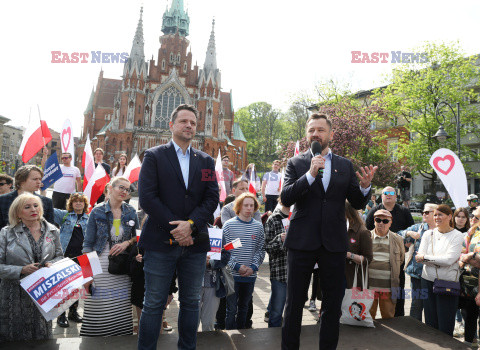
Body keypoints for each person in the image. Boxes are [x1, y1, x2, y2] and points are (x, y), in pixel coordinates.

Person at [280, 112, 376, 349]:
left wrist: (365, 189)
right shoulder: (296, 163)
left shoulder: (344, 165)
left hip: (333, 244)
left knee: (332, 304)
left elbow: (356, 202)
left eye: (321, 130)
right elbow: (286, 196)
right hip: (301, 242)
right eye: (311, 130)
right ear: (306, 134)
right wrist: (310, 174)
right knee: (294, 303)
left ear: (331, 134)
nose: (315, 134)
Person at [137, 104, 219, 350]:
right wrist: (178, 228)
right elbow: (147, 198)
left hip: (194, 244)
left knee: (191, 302)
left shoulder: (205, 161)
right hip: (160, 242)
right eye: (184, 121)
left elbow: (211, 198)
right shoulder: (154, 156)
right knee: (153, 303)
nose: (189, 126)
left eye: (193, 123)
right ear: (171, 125)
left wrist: (191, 225)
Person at [0, 193, 63, 342]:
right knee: (14, 339)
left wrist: (52, 264)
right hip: (14, 295)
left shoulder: (53, 231)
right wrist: (20, 270)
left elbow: (60, 257)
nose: (33, 209)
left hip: (43, 293)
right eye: (27, 207)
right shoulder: (6, 233)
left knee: (42, 339)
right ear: (17, 213)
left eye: (36, 206)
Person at [80, 176, 139, 337]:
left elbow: (138, 238)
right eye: (121, 187)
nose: (124, 191)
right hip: (99, 263)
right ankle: (95, 340)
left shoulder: (131, 211)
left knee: (120, 305)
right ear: (110, 188)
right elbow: (87, 244)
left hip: (122, 265)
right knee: (99, 304)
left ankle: (119, 341)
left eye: (127, 189)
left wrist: (126, 243)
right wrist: (87, 274)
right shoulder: (97, 211)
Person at [416, 204, 464, 336]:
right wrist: (438, 260)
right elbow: (418, 257)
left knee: (445, 324)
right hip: (427, 280)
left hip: (447, 283)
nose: (436, 217)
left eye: (440, 215)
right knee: (430, 324)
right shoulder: (427, 234)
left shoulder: (457, 235)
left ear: (449, 217)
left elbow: (448, 260)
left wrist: (426, 258)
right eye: (435, 215)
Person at [366, 186, 414, 317]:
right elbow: (366, 230)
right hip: (375, 259)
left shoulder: (403, 211)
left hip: (396, 256)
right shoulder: (375, 211)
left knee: (397, 293)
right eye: (385, 193)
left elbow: (412, 228)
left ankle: (398, 320)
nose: (388, 195)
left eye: (391, 193)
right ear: (381, 196)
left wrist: (406, 245)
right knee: (370, 305)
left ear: (396, 196)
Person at [224, 192, 265, 329]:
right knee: (230, 309)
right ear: (239, 207)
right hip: (232, 276)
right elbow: (225, 250)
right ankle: (229, 335)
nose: (248, 208)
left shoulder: (258, 227)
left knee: (244, 308)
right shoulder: (229, 225)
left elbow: (260, 249)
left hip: (250, 275)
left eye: (251, 205)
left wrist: (252, 267)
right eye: (245, 205)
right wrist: (236, 266)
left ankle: (242, 336)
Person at [53, 193, 90, 328]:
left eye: (81, 202)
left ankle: (73, 312)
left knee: (76, 286)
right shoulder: (64, 215)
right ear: (71, 204)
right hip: (66, 256)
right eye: (75, 202)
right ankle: (61, 315)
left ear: (84, 204)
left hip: (83, 258)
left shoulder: (89, 218)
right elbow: (47, 208)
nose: (78, 204)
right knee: (63, 286)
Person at [397, 203, 437, 322]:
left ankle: (433, 332)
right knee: (417, 305)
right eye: (423, 212)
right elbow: (398, 234)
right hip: (418, 273)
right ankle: (415, 331)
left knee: (433, 305)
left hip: (437, 274)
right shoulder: (418, 228)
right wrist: (408, 234)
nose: (423, 214)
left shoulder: (442, 230)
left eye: (427, 212)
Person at [368, 209, 405, 319]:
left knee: (388, 318)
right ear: (374, 221)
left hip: (389, 287)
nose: (381, 223)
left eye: (385, 221)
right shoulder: (366, 237)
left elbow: (401, 259)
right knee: (367, 317)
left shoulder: (397, 239)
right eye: (378, 220)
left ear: (390, 222)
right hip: (368, 287)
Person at [264, 198, 290, 328]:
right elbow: (267, 247)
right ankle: (272, 341)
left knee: (293, 312)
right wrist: (280, 239)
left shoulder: (301, 216)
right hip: (280, 273)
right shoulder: (273, 219)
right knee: (276, 313)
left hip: (299, 273)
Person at [458, 207, 480, 345]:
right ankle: (469, 343)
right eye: (472, 216)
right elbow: (460, 254)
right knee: (468, 315)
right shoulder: (471, 232)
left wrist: (471, 256)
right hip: (468, 282)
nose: (472, 219)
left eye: (476, 217)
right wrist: (468, 257)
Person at [198, 239, 231, 331]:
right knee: (191, 322)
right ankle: (189, 344)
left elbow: (226, 255)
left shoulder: (216, 232)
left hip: (213, 284)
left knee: (209, 322)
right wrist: (199, 260)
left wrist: (211, 262)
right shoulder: (186, 231)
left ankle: (208, 344)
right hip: (192, 284)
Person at [344, 200, 373, 289]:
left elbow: (368, 259)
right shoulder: (335, 228)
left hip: (352, 282)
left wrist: (349, 255)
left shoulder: (362, 232)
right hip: (334, 279)